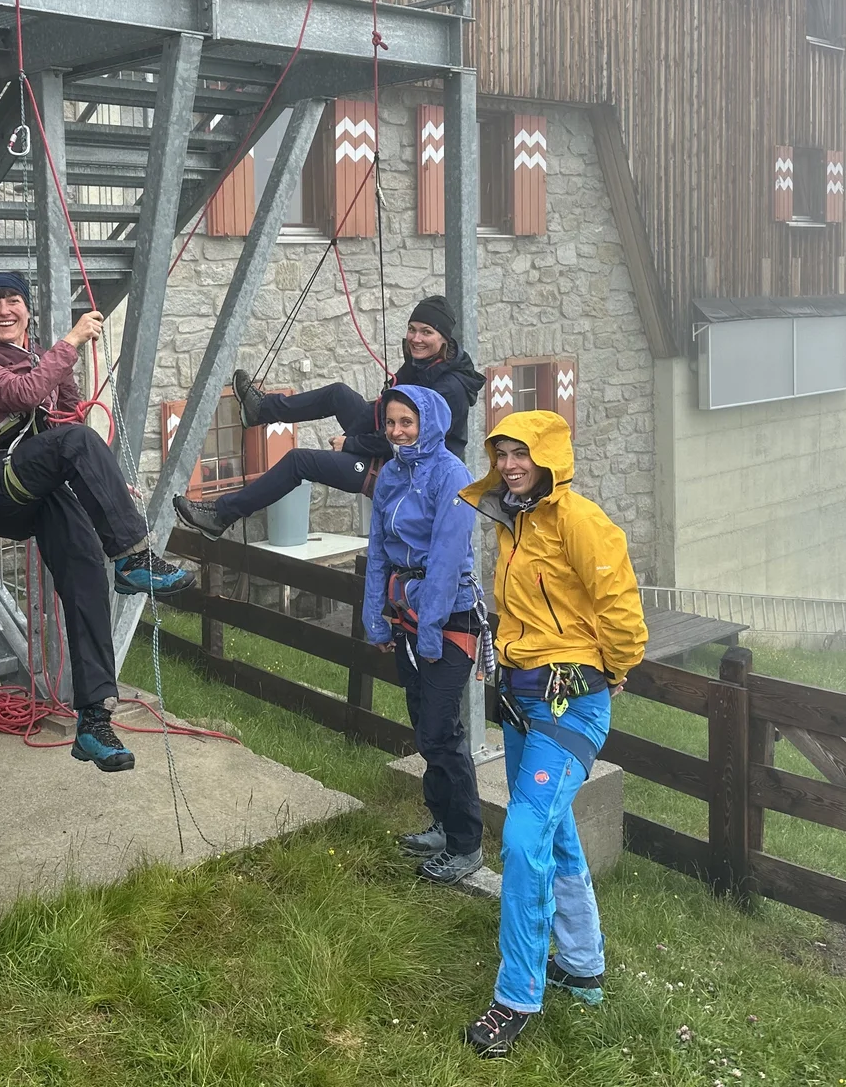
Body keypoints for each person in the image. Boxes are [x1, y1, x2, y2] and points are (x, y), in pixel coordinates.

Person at [456, 409, 648, 1059]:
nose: (511, 464)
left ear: (550, 458)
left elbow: (620, 606)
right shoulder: (511, 521)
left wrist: (615, 669)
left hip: (571, 708)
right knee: (555, 830)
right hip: (519, 701)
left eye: (523, 454)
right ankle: (583, 963)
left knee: (523, 833)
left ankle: (516, 995)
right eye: (503, 453)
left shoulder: (581, 522)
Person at [0, 270, 195, 774]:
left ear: (26, 310)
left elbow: (67, 420)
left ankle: (92, 719)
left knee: (86, 572)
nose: (4, 309)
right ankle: (134, 559)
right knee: (80, 446)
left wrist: (103, 484)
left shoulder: (44, 359)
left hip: (39, 485)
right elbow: (23, 396)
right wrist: (71, 341)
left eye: (13, 300)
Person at [172, 295, 486, 538]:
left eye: (426, 332)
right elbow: (388, 414)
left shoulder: (450, 390)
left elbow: (405, 441)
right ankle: (260, 409)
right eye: (412, 330)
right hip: (384, 442)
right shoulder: (421, 364)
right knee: (338, 394)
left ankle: (221, 516)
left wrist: (351, 444)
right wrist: (362, 429)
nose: (416, 338)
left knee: (299, 461)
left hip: (403, 473)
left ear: (444, 339)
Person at [362, 385, 486, 885]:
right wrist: (376, 618)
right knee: (423, 726)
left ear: (428, 422)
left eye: (406, 422)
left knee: (442, 731)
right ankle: (441, 822)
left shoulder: (452, 475)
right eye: (390, 423)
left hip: (449, 618)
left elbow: (447, 559)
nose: (397, 432)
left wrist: (431, 633)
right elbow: (378, 553)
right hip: (406, 614)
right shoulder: (391, 474)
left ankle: (466, 844)